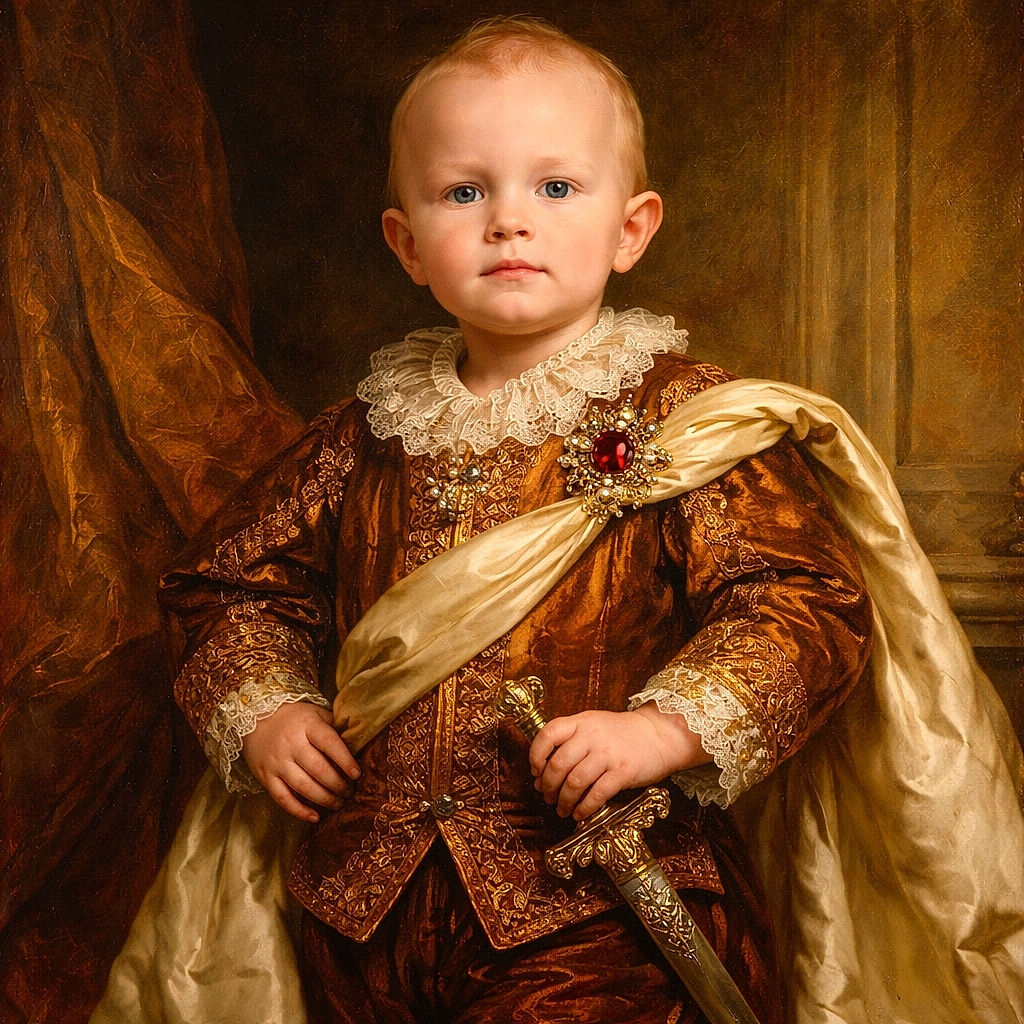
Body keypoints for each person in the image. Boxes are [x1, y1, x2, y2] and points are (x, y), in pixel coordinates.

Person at [91, 15, 1024, 1024]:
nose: (507, 222)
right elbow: (228, 583)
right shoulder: (361, 435)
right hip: (361, 903)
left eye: (555, 187)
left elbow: (801, 601)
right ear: (406, 243)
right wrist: (269, 712)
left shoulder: (682, 415)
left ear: (632, 228)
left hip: (600, 903)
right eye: (463, 191)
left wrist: (661, 730)